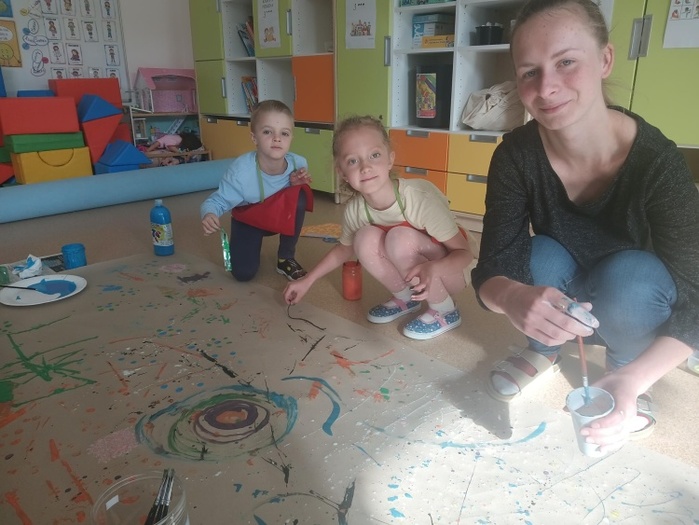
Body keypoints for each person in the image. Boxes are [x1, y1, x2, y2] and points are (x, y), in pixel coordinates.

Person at [471, 0, 699, 452]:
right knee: (534, 256)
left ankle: (625, 369)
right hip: (565, 295)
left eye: (566, 62)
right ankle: (543, 349)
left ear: (605, 59)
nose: (547, 87)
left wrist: (636, 377)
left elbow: (697, 297)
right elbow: (491, 268)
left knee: (631, 275)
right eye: (529, 72)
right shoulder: (515, 155)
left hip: (634, 303)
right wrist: (513, 297)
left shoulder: (656, 161)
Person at [283, 116, 474, 340]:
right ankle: (406, 299)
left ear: (390, 159)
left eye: (374, 155)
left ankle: (445, 310)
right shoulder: (356, 209)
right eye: (353, 161)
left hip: (452, 272)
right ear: (342, 172)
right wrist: (307, 281)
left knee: (398, 237)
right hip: (420, 274)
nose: (365, 167)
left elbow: (465, 255)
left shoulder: (419, 199)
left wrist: (433, 269)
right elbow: (343, 249)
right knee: (363, 238)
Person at [201, 100, 313, 281]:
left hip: (276, 216)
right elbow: (216, 201)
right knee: (243, 274)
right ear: (254, 138)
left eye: (284, 133)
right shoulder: (240, 172)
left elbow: (292, 200)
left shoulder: (298, 163)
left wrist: (296, 185)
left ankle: (286, 258)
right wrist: (209, 214)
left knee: (300, 196)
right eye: (267, 132)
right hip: (249, 220)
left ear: (291, 138)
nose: (277, 138)